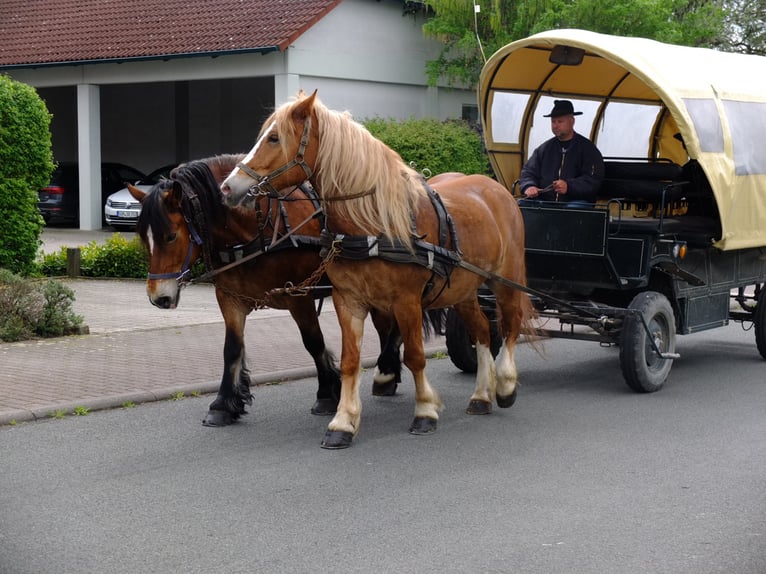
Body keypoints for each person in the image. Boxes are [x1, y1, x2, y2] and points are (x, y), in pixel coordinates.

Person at [519, 99, 604, 205]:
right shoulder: (544, 149)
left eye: (560, 121)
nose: (555, 125)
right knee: (522, 204)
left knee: (574, 208)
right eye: (553, 122)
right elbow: (528, 172)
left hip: (575, 201)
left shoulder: (588, 149)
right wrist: (529, 186)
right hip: (545, 201)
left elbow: (593, 180)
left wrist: (569, 186)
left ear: (572, 121)